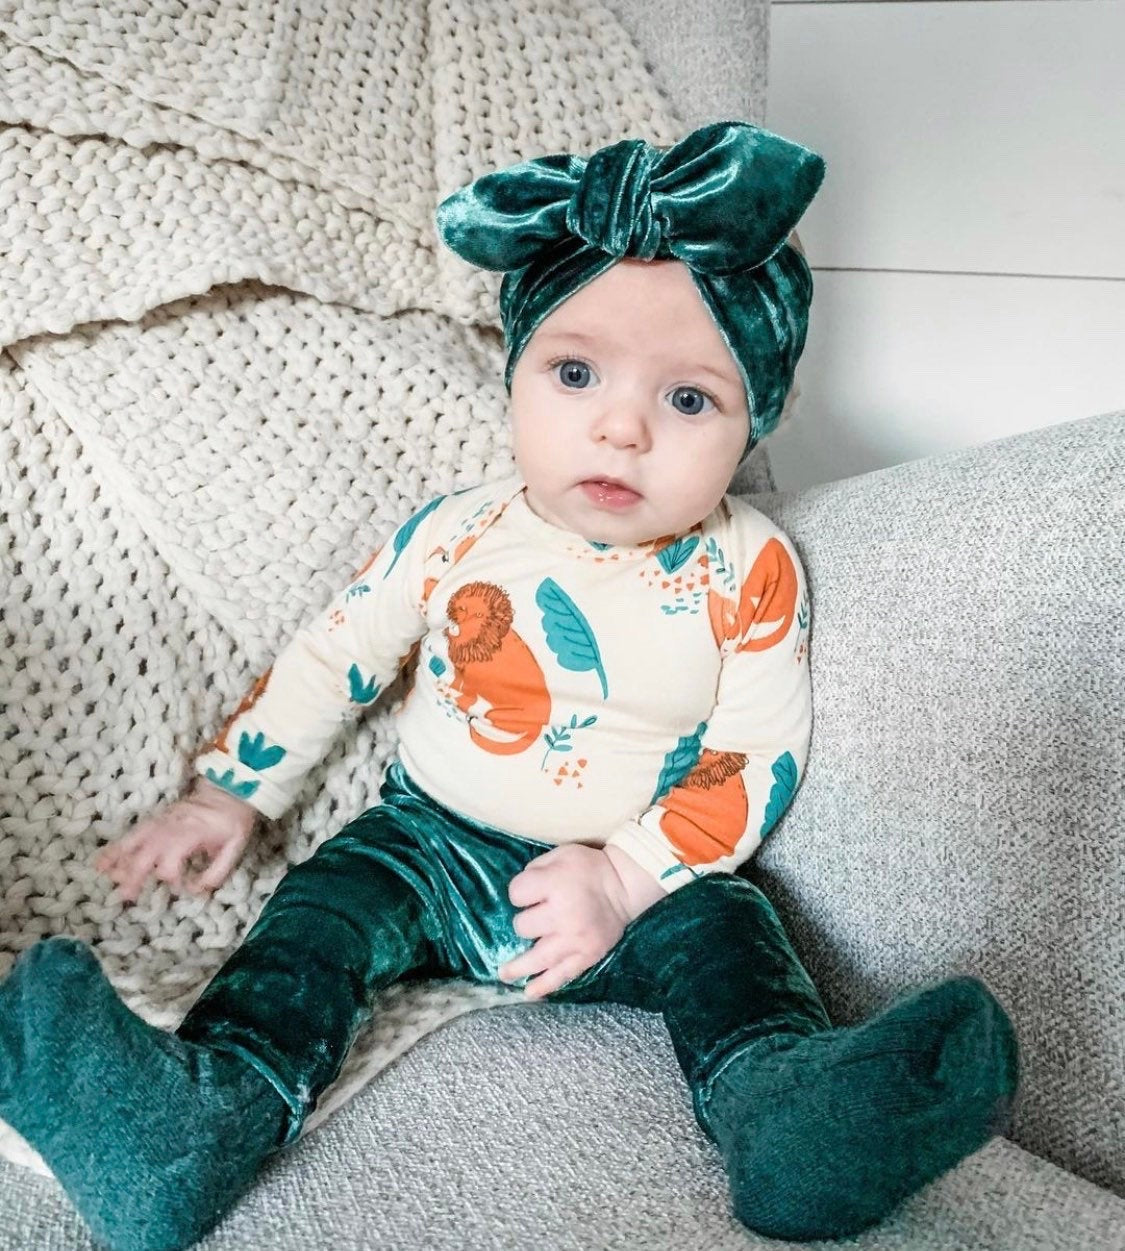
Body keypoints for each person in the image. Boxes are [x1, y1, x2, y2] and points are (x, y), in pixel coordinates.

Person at [0, 121, 1020, 1251]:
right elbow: (335, 657)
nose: (621, 428)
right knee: (320, 917)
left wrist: (627, 878)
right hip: (426, 848)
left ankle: (785, 1120)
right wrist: (230, 793)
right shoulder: (459, 532)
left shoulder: (751, 565)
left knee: (728, 927)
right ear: (518, 374)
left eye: (689, 400)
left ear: (753, 422)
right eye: (574, 374)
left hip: (624, 874)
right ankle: (197, 1120)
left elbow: (755, 751)